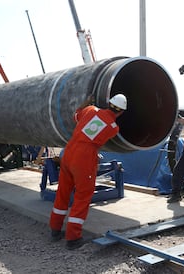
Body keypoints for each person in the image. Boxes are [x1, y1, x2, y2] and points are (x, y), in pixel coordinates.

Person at [49, 93, 127, 250]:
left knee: (63, 192)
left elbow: (76, 116)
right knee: (82, 196)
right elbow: (100, 133)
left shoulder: (90, 110)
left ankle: (55, 230)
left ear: (109, 103)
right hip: (84, 158)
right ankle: (73, 238)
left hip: (69, 151)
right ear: (121, 112)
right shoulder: (113, 128)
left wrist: (83, 104)